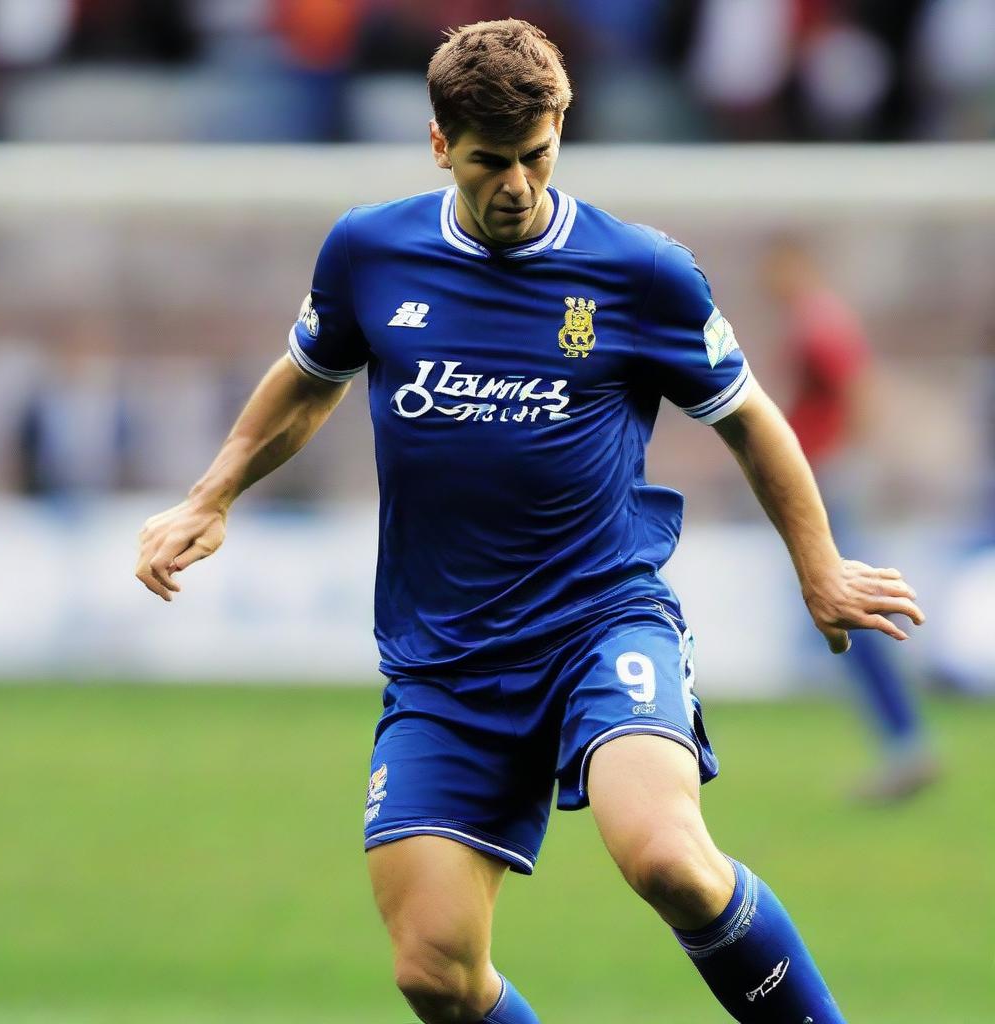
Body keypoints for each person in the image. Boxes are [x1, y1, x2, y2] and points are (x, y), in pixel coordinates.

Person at [136, 20, 924, 1024]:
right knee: (435, 972)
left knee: (669, 859)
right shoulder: (369, 252)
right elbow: (307, 380)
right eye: (488, 162)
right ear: (437, 146)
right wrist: (209, 496)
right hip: (444, 661)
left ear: (561, 129)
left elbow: (751, 418)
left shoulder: (639, 273)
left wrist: (819, 564)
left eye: (535, 156)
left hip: (600, 623)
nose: (515, 183)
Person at [761, 234, 939, 801]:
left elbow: (857, 390)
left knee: (846, 608)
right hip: (823, 478)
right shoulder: (811, 320)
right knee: (841, 614)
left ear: (798, 265)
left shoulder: (819, 322)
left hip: (825, 484)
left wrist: (844, 461)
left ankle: (907, 744)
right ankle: (903, 742)